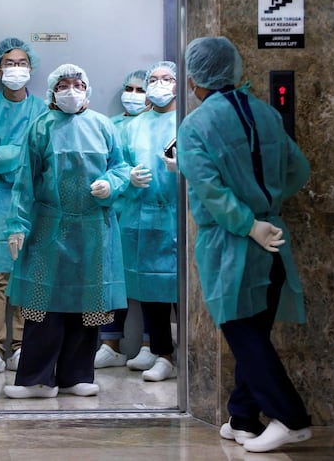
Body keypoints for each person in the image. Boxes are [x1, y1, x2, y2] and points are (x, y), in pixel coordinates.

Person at [176, 36, 312, 453]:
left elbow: (211, 191)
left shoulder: (195, 126)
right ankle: (243, 416)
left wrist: (247, 223)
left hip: (233, 243)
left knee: (242, 332)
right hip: (274, 239)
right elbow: (298, 170)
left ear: (195, 78)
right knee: (256, 330)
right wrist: (266, 207)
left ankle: (291, 418)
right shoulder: (266, 113)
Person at [3, 63, 131, 398]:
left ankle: (77, 375)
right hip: (49, 230)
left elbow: (120, 167)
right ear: (52, 91)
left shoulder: (103, 126)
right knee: (42, 305)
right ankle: (37, 379)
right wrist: (17, 225)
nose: (71, 90)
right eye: (63, 85)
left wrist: (110, 183)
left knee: (88, 306)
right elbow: (24, 180)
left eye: (77, 84)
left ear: (87, 90)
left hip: (94, 231)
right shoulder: (41, 127)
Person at [102, 61, 180, 381]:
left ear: (178, 84)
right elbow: (119, 167)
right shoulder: (134, 126)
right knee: (151, 289)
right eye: (154, 80)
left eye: (167, 79)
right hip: (141, 216)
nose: (159, 84)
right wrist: (129, 178)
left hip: (178, 216)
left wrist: (181, 169)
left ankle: (186, 352)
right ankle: (163, 354)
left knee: (179, 290)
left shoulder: (187, 121)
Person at [0, 37, 45, 376]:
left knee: (26, 276)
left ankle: (22, 345)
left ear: (31, 70)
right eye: (10, 63)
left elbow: (34, 155)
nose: (16, 69)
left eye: (22, 63)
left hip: (30, 201)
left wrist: (2, 152)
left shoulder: (41, 110)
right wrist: (15, 153)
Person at [95, 69, 151, 369]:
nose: (133, 95)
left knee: (152, 284)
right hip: (114, 214)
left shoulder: (163, 125)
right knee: (112, 281)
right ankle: (110, 342)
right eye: (128, 88)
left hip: (151, 214)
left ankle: (150, 344)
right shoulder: (110, 125)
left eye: (140, 89)